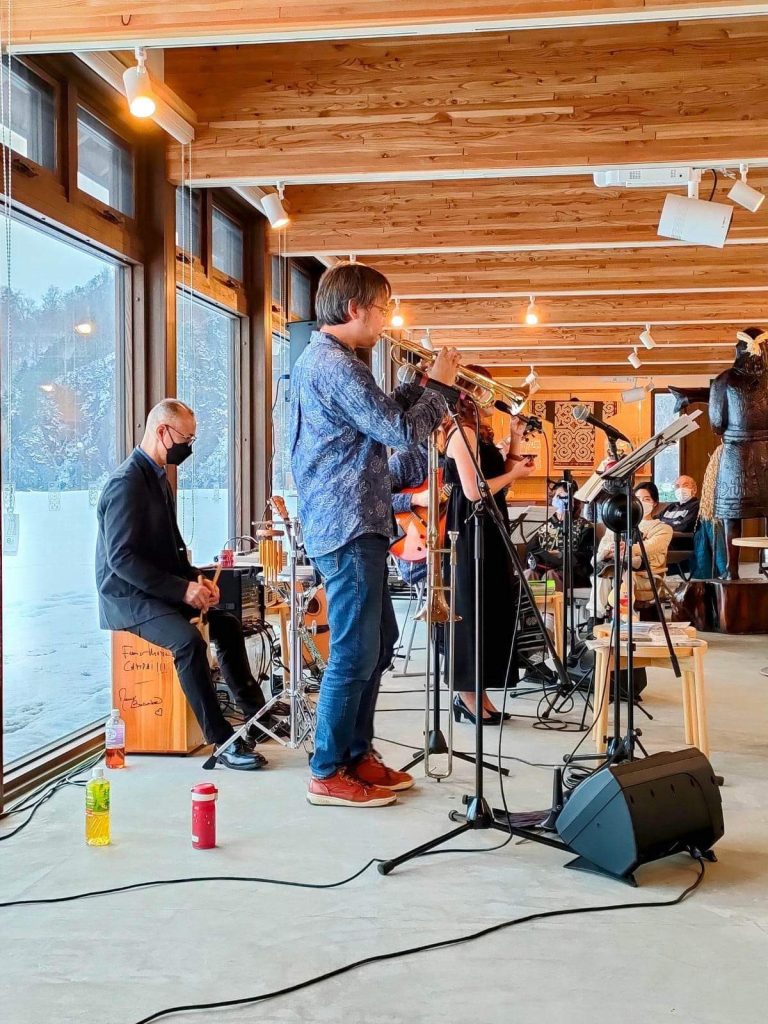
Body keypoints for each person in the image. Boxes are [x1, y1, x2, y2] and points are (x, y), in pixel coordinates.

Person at [289, 261, 460, 807]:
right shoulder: (336, 365)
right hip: (347, 523)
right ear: (355, 308)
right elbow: (402, 432)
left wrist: (420, 386)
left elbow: (383, 415)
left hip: (355, 521)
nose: (386, 319)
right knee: (353, 651)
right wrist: (442, 390)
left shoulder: (331, 361)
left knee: (379, 643)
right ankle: (326, 769)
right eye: (383, 308)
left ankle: (356, 753)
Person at [96, 399, 268, 771]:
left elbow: (171, 551)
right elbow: (121, 560)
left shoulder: (158, 478)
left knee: (227, 624)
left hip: (154, 590)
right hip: (127, 598)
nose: (188, 447)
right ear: (162, 431)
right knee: (188, 643)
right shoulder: (126, 484)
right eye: (185, 439)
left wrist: (197, 581)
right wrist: (181, 591)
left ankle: (257, 715)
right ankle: (222, 740)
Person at [444, 399, 536, 725]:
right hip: (471, 529)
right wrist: (515, 473)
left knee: (490, 608)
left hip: (490, 525)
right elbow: (474, 491)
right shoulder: (461, 432)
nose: (490, 399)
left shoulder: (479, 433)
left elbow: (499, 482)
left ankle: (479, 693)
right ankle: (466, 695)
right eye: (483, 390)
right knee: (470, 609)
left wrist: (515, 438)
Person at [592, 481, 673, 617]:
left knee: (623, 574)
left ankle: (626, 618)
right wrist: (611, 549)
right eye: (637, 499)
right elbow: (603, 548)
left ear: (655, 503)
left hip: (644, 574)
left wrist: (628, 549)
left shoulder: (663, 528)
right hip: (615, 567)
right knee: (603, 573)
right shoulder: (617, 523)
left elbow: (651, 547)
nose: (641, 502)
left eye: (646, 499)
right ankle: (596, 616)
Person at [524, 481, 594, 591]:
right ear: (552, 499)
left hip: (572, 573)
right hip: (543, 567)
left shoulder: (584, 526)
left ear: (574, 501)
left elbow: (586, 556)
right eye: (559, 496)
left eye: (566, 497)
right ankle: (534, 601)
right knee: (529, 574)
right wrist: (542, 557)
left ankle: (552, 601)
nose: (562, 501)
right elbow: (531, 551)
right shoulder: (541, 524)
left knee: (550, 576)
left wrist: (561, 555)